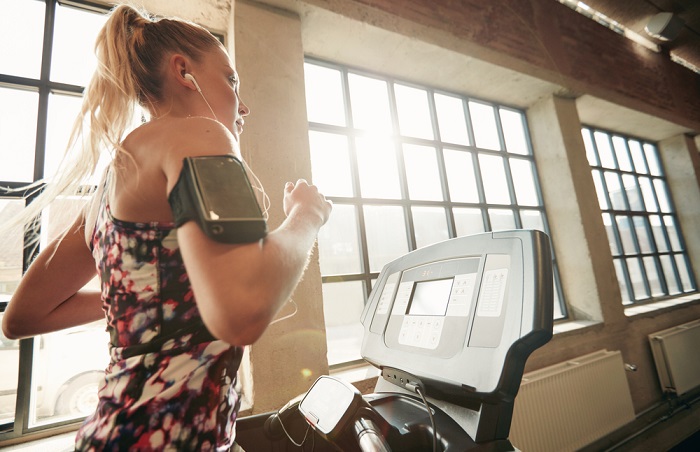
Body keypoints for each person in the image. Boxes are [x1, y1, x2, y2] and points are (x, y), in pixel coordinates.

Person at [1, 4, 332, 451]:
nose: (243, 103)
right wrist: (306, 216)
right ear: (183, 71)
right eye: (231, 80)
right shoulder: (200, 134)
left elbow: (21, 317)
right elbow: (243, 311)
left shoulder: (110, 183)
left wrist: (152, 297)